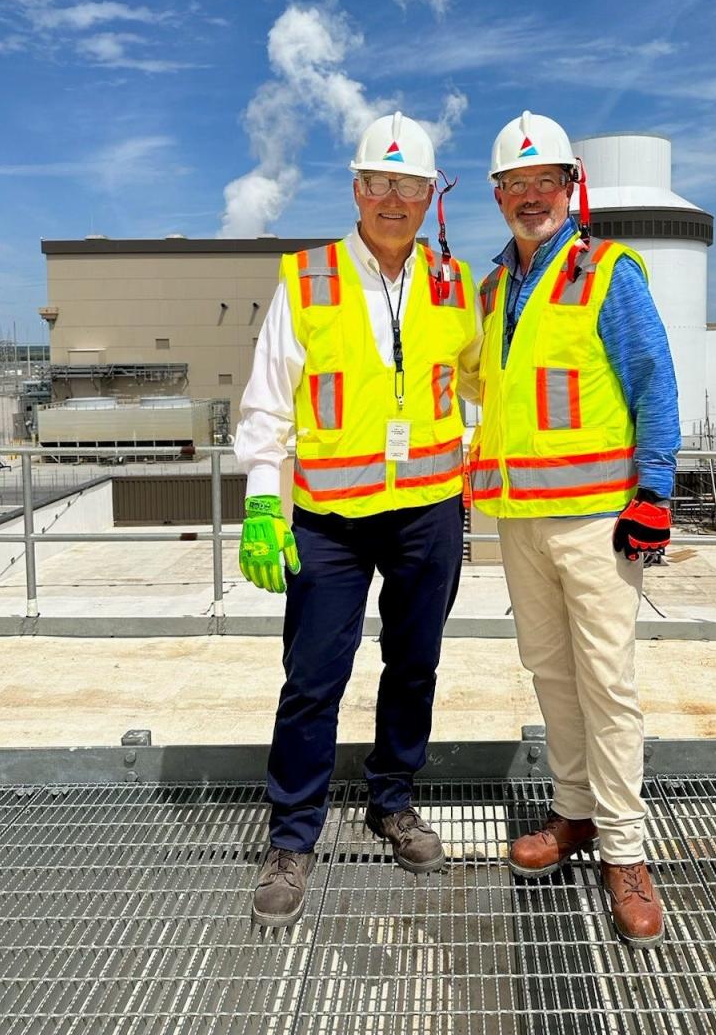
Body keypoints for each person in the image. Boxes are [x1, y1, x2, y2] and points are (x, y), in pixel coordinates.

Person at [235, 111, 480, 928]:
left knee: (413, 668)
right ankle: (294, 836)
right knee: (312, 682)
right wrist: (265, 502)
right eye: (379, 183)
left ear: (429, 197)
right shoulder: (307, 279)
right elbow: (268, 404)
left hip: (427, 515)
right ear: (356, 189)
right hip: (331, 523)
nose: (393, 199)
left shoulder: (453, 283)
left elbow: (481, 386)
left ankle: (392, 802)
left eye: (409, 186)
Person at [469, 110, 679, 949]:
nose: (530, 198)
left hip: (595, 520)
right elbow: (484, 389)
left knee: (607, 684)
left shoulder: (607, 273)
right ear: (497, 195)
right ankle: (575, 814)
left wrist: (655, 492)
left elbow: (653, 381)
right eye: (514, 185)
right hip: (520, 523)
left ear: (570, 188)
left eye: (543, 182)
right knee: (551, 676)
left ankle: (626, 852)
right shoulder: (491, 290)